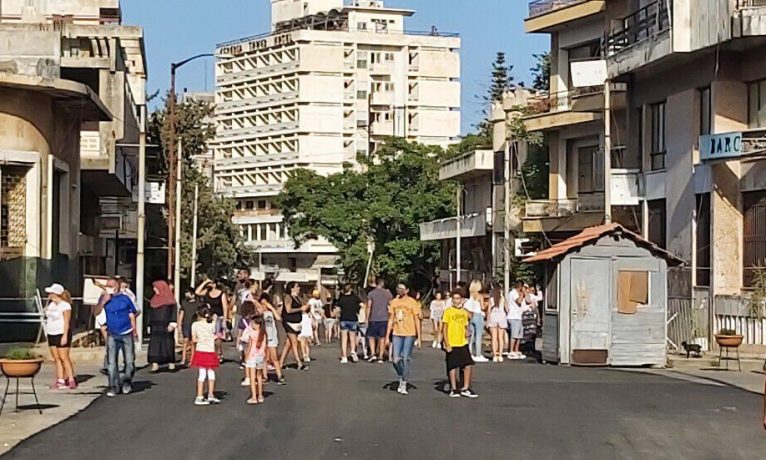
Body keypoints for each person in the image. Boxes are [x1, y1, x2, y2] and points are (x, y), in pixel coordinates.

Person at [103, 277, 138, 397]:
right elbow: (96, 312)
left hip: (126, 332)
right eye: (107, 285)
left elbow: (133, 312)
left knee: (129, 361)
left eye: (111, 285)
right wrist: (103, 301)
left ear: (117, 286)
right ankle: (114, 386)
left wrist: (134, 328)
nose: (108, 287)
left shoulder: (125, 298)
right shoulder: (104, 298)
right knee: (111, 363)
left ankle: (127, 381)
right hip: (112, 334)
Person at [385, 283, 422, 395]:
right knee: (395, 359)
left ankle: (404, 383)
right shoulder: (394, 302)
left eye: (402, 288)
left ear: (407, 290)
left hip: (409, 334)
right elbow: (391, 319)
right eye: (398, 288)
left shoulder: (412, 302)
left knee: (405, 358)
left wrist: (419, 337)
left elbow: (417, 320)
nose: (399, 290)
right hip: (397, 333)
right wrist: (387, 336)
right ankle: (402, 375)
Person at [442, 289, 478, 398]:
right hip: (452, 342)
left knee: (467, 364)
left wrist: (467, 331)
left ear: (462, 300)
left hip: (462, 342)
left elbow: (468, 322)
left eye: (458, 298)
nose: (455, 301)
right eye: (454, 298)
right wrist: (446, 343)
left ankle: (465, 388)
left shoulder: (464, 312)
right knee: (452, 366)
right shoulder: (448, 311)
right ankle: (454, 389)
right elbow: (444, 328)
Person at [44, 283, 76, 390]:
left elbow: (67, 321)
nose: (49, 295)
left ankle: (71, 379)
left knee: (64, 357)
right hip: (51, 332)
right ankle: (60, 379)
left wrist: (65, 335)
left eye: (51, 293)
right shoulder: (51, 305)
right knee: (56, 358)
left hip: (61, 332)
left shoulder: (65, 305)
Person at [190, 306, 220, 405]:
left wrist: (201, 340)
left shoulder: (195, 325)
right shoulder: (212, 324)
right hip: (210, 351)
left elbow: (194, 339)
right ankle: (211, 395)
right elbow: (215, 335)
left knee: (201, 374)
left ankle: (199, 396)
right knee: (211, 373)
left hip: (200, 350)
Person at [195, 278, 230, 362]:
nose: (209, 285)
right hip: (209, 317)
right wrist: (205, 282)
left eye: (211, 283)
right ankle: (211, 353)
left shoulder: (221, 294)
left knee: (217, 336)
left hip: (219, 317)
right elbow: (197, 292)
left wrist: (225, 319)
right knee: (209, 336)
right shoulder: (207, 292)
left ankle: (219, 353)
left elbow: (225, 308)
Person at [147, 280, 178, 372]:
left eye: (156, 287)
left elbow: (174, 312)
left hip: (166, 325)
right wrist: (149, 325)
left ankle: (171, 364)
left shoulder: (170, 300)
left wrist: (173, 323)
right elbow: (150, 313)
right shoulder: (154, 300)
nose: (154, 289)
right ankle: (155, 364)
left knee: (167, 344)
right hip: (155, 326)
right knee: (154, 345)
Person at [256, 292, 286, 385]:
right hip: (264, 337)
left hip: (272, 337)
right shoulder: (259, 314)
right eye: (262, 304)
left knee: (274, 358)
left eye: (265, 303)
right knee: (264, 358)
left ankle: (279, 375)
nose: (264, 306)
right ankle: (264, 376)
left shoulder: (270, 313)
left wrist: (271, 308)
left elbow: (279, 318)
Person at [280, 282, 308, 371]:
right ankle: (298, 362)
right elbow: (288, 310)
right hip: (289, 322)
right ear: (292, 288)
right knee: (294, 342)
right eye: (297, 286)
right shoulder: (288, 297)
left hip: (296, 323)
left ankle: (280, 362)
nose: (299, 288)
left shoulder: (297, 298)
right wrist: (300, 309)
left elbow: (304, 304)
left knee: (288, 343)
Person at [241, 313, 267, 405]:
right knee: (259, 376)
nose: (251, 325)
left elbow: (250, 346)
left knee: (252, 378)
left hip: (252, 356)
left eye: (253, 323)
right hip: (260, 356)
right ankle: (260, 395)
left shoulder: (252, 333)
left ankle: (253, 397)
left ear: (257, 324)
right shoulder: (263, 334)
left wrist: (246, 356)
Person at [367, 278, 393, 363]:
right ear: (382, 283)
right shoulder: (388, 293)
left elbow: (369, 307)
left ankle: (373, 353)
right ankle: (381, 356)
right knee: (382, 338)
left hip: (374, 318)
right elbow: (391, 305)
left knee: (371, 337)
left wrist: (367, 318)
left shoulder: (371, 293)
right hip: (384, 318)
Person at [336, 284, 363, 363]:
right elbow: (362, 305)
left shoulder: (341, 298)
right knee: (352, 338)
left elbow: (337, 309)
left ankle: (344, 357)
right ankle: (353, 351)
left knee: (344, 339)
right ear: (351, 289)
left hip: (343, 319)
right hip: (353, 319)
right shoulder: (355, 298)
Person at [465, 280, 488, 362]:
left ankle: (469, 353)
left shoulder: (471, 296)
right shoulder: (480, 296)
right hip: (479, 316)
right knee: (478, 336)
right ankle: (478, 354)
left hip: (472, 315)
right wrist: (486, 306)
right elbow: (482, 307)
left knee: (472, 336)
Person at [507, 281, 530, 359]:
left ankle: (516, 350)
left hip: (518, 316)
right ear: (520, 287)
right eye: (524, 287)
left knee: (519, 335)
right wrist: (522, 294)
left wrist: (525, 294)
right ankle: (511, 351)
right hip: (513, 317)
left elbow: (527, 301)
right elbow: (519, 301)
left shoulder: (519, 294)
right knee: (514, 335)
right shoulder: (513, 293)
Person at [179, 289, 202, 366]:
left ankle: (192, 360)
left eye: (188, 294)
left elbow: (200, 315)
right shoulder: (184, 303)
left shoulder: (198, 303)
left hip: (194, 324)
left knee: (193, 342)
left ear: (193, 295)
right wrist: (179, 324)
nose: (186, 295)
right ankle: (183, 359)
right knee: (185, 341)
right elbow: (181, 313)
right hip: (185, 324)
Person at [487, 284, 508, 362]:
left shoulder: (491, 299)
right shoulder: (502, 298)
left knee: (494, 338)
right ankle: (500, 355)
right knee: (500, 338)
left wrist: (487, 321)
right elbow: (507, 308)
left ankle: (495, 355)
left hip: (493, 316)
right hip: (501, 316)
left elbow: (488, 310)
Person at [238, 301, 257, 386]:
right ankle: (254, 377)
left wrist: (238, 343)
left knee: (246, 360)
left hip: (245, 341)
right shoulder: (254, 320)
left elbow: (239, 333)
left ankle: (247, 377)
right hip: (253, 340)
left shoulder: (242, 321)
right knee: (253, 359)